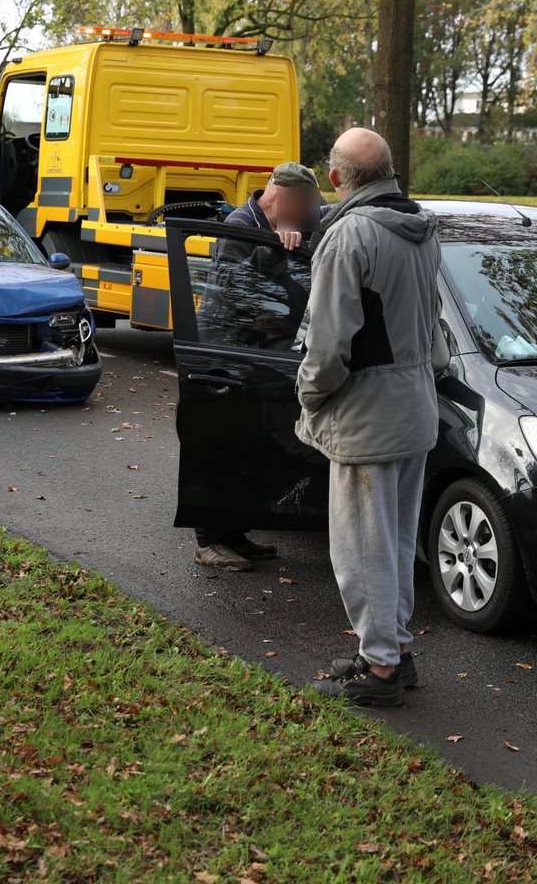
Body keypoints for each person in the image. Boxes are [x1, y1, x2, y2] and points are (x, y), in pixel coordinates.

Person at [297, 127, 441, 707]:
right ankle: (393, 651)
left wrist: (308, 395)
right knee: (397, 541)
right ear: (389, 172)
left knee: (362, 548)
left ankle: (379, 669)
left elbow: (329, 347)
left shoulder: (349, 236)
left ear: (336, 178)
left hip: (365, 416)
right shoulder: (422, 230)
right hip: (414, 406)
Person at [193, 162, 325, 573]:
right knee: (221, 446)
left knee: (254, 446)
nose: (309, 216)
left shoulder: (294, 226)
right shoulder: (237, 226)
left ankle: (234, 533)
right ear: (281, 197)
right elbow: (235, 287)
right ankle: (208, 541)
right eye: (305, 207)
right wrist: (270, 250)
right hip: (223, 357)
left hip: (264, 357)